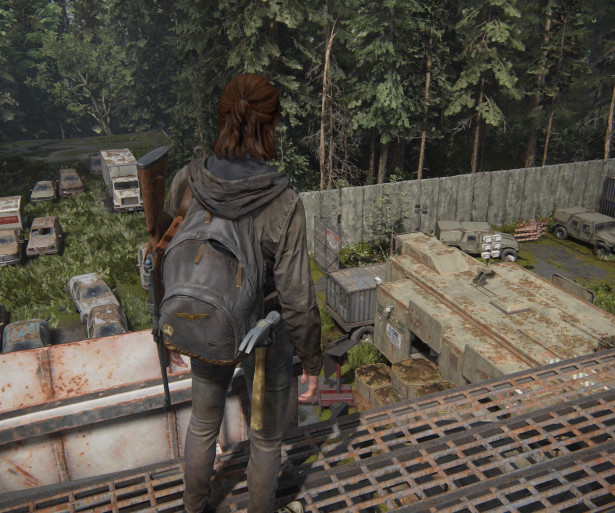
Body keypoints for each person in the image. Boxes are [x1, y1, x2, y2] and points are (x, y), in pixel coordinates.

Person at [164, 73, 322, 513]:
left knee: (202, 422)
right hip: (265, 333)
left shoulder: (188, 179)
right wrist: (312, 361)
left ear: (223, 118)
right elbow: (297, 296)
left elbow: (167, 247)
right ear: (270, 124)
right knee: (266, 437)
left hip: (204, 318)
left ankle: (194, 508)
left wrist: (169, 326)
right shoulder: (284, 201)